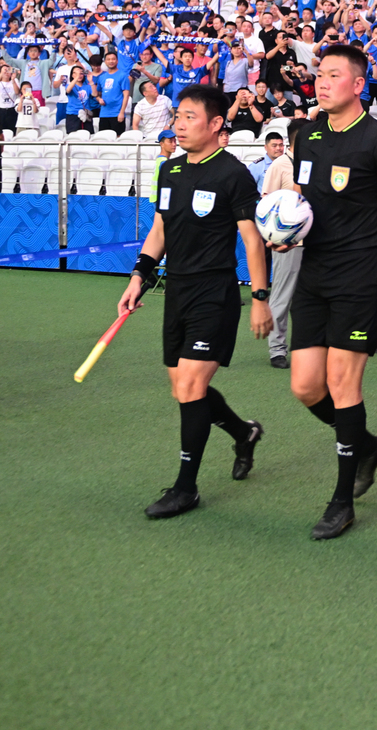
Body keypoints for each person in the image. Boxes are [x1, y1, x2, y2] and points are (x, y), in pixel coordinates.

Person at [278, 45, 377, 540]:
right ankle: (367, 445)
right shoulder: (309, 135)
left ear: (359, 84)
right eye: (320, 73)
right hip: (312, 274)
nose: (322, 81)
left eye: (334, 75)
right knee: (305, 387)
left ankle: (341, 502)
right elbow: (305, 201)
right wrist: (285, 227)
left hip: (362, 276)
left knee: (342, 384)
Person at [118, 84, 272, 520]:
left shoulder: (233, 174)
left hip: (215, 293)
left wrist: (259, 298)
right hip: (177, 291)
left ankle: (186, 488)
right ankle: (243, 432)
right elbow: (161, 229)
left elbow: (251, 239)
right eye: (178, 117)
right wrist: (139, 276)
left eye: (189, 117)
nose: (179, 125)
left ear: (216, 124)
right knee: (185, 388)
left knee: (190, 387)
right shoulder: (170, 170)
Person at [264, 119, 308, 369]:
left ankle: (307, 346)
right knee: (282, 295)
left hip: (314, 241)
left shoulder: (312, 162)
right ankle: (277, 349)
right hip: (288, 242)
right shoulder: (279, 165)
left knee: (310, 297)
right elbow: (266, 205)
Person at [95, 51, 130, 133]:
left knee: (118, 138)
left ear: (117, 61)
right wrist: (98, 99)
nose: (111, 61)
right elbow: (97, 94)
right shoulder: (102, 77)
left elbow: (126, 95)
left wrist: (121, 112)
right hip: (104, 114)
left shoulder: (123, 75)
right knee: (103, 138)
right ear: (105, 61)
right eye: (108, 59)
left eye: (113, 59)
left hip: (117, 113)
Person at [151, 129, 177, 197]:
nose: (174, 144)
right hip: (161, 199)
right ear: (162, 144)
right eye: (170, 141)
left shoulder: (160, 160)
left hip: (157, 198)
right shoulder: (164, 162)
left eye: (175, 141)